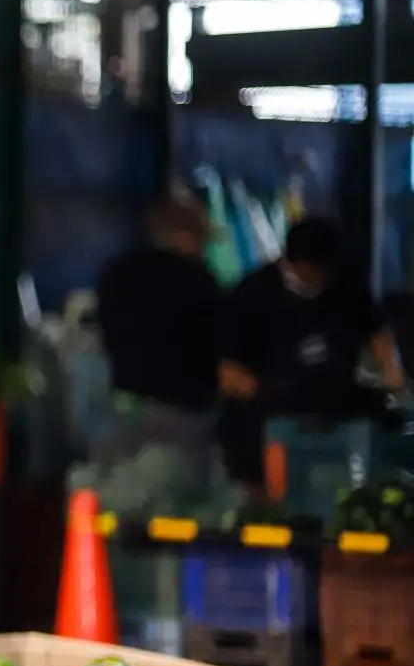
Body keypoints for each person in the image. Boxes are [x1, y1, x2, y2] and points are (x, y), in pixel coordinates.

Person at [218, 215, 406, 484]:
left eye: (323, 276)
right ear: (289, 262)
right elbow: (229, 371)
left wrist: (392, 372)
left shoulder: (347, 284)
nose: (316, 282)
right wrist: (265, 397)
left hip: (337, 399)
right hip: (272, 412)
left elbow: (377, 334)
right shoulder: (251, 295)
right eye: (308, 275)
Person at [96, 197, 223, 416]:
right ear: (182, 234)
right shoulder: (199, 281)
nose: (203, 248)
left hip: (124, 405)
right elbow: (213, 340)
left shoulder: (118, 272)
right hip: (183, 409)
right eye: (200, 238)